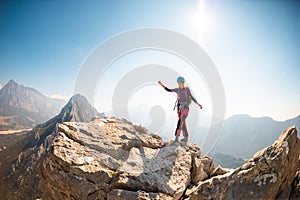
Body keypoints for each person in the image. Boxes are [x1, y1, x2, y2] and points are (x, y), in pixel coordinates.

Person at [158, 77, 202, 142]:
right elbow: (168, 90)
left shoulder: (187, 89)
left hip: (186, 108)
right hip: (180, 109)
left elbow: (191, 97)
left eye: (181, 82)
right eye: (178, 82)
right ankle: (186, 137)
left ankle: (176, 137)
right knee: (183, 122)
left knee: (180, 121)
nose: (179, 83)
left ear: (183, 82)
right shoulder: (177, 90)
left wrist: (198, 104)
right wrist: (161, 84)